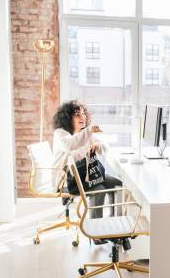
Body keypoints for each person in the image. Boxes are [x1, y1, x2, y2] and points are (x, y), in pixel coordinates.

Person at [52, 101, 122, 237]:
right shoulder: (60, 134)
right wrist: (89, 131)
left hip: (86, 177)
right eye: (77, 115)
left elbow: (104, 149)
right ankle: (96, 232)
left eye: (83, 114)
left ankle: (114, 221)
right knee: (99, 190)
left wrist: (97, 145)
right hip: (66, 181)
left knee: (116, 183)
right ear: (67, 118)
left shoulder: (85, 133)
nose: (82, 117)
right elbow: (70, 145)